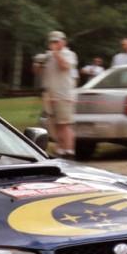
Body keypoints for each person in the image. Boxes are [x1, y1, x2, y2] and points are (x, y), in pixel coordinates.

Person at [35, 30, 78, 158]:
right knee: (53, 125)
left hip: (64, 95)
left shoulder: (69, 54)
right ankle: (60, 149)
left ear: (63, 42)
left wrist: (56, 53)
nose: (53, 44)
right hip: (50, 95)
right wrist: (38, 64)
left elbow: (64, 66)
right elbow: (37, 72)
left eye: (56, 41)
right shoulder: (47, 56)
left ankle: (69, 150)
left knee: (64, 124)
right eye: (51, 41)